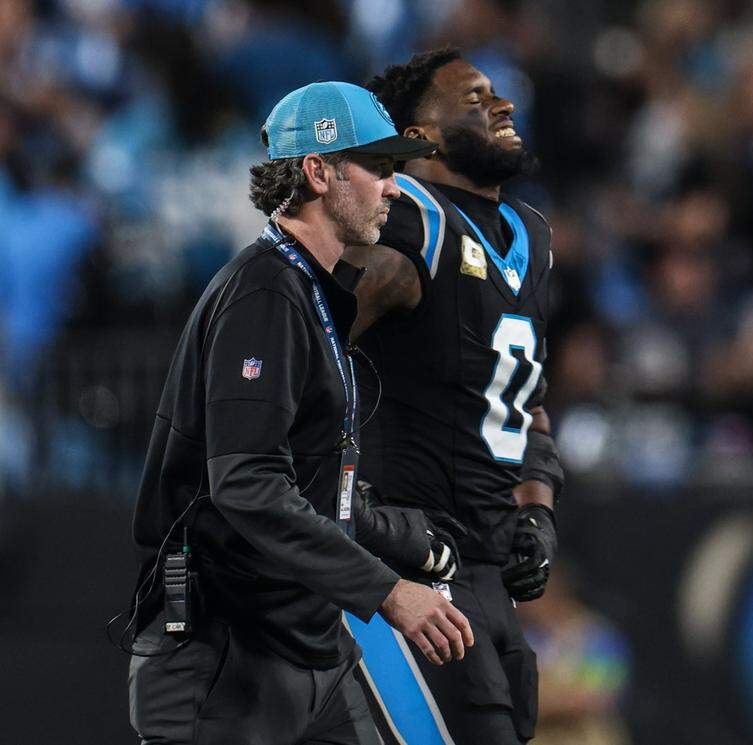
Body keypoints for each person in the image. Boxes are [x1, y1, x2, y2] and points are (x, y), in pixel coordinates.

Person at [125, 81, 474, 745]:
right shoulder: (265, 294)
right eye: (378, 168)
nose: (393, 188)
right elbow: (248, 484)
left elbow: (315, 489)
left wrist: (410, 542)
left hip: (303, 649)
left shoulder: (305, 290)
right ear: (318, 171)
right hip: (226, 658)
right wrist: (389, 592)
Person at [340, 49, 564, 745]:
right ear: (421, 135)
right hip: (408, 566)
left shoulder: (528, 234)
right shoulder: (409, 221)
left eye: (497, 94)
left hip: (489, 570)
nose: (501, 107)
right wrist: (339, 498)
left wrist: (537, 511)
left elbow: (525, 395)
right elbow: (288, 343)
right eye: (474, 99)